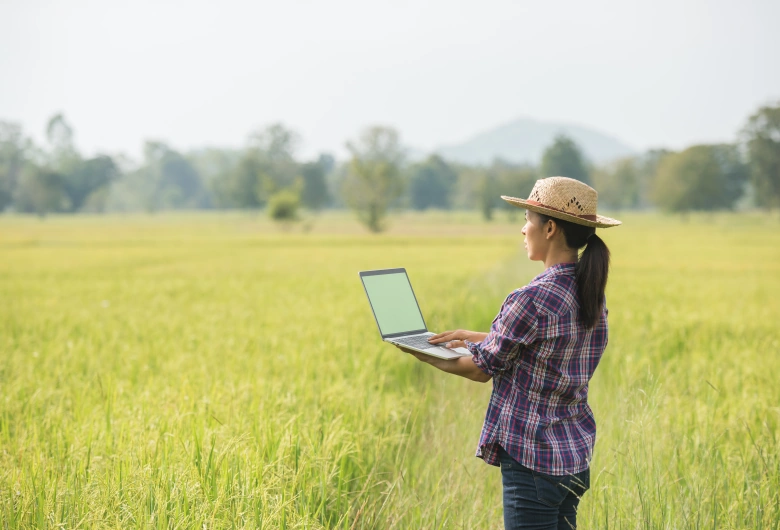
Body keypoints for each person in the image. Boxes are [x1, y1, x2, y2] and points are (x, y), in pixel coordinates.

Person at [395, 176, 621, 530]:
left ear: (549, 228)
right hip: (572, 458)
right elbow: (544, 345)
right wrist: (473, 336)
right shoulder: (588, 291)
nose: (522, 229)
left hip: (533, 462)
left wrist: (424, 353)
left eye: (527, 220)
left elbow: (482, 370)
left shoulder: (532, 297)